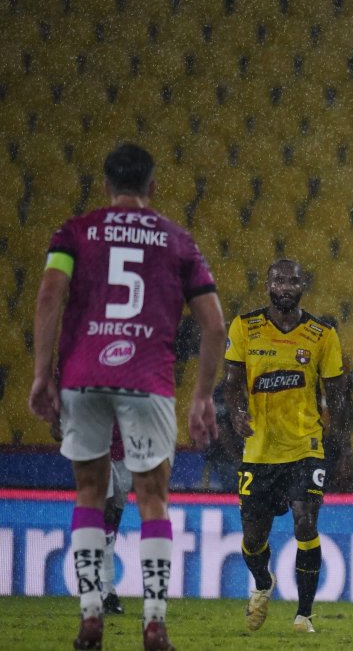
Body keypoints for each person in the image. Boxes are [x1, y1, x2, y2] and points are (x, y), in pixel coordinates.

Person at [28, 143, 225, 650]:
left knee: (90, 495)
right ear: (153, 187)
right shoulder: (178, 240)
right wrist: (202, 395)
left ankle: (91, 611)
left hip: (85, 374)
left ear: (106, 185)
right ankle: (154, 619)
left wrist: (42, 375)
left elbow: (50, 294)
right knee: (152, 498)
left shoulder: (75, 231)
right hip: (148, 378)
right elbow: (214, 324)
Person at [223, 259, 348, 634]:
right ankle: (263, 582)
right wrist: (236, 413)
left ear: (302, 286)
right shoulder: (245, 327)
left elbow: (337, 392)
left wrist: (332, 433)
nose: (286, 287)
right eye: (279, 280)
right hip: (259, 451)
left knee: (306, 523)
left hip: (304, 448)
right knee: (253, 538)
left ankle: (304, 614)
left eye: (293, 281)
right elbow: (231, 381)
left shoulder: (322, 335)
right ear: (267, 285)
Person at [100, 422, 132, 615]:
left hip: (125, 453)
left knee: (113, 519)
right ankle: (105, 591)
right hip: (95, 447)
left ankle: (106, 591)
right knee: (107, 510)